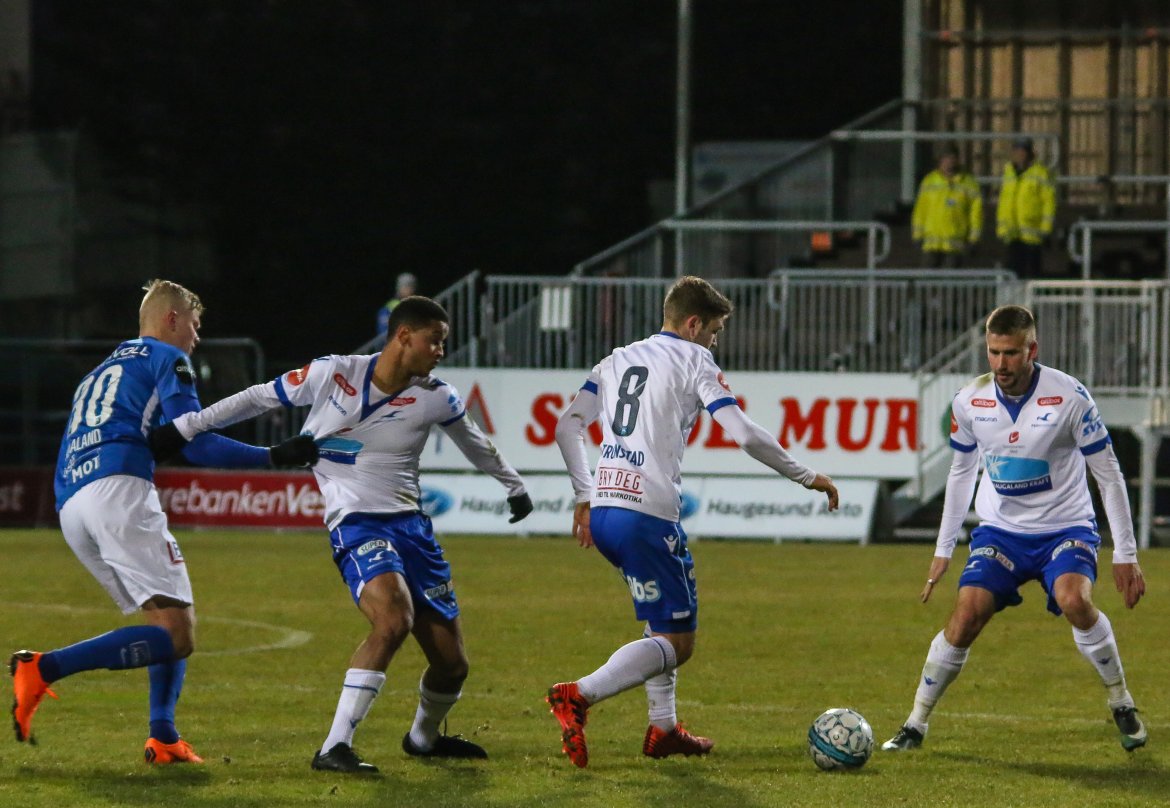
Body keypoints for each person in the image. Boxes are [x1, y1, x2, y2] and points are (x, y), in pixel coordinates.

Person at [153, 295, 534, 773]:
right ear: (403, 336)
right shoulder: (334, 373)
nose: (441, 351)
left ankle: (423, 739)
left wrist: (514, 486)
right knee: (392, 618)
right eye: (435, 340)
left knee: (452, 664)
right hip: (356, 523)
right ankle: (334, 747)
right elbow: (258, 396)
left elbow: (474, 443)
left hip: (412, 527)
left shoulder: (438, 395)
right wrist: (186, 426)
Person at [9, 279, 318, 764]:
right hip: (118, 492)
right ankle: (43, 668)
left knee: (163, 619)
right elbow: (195, 441)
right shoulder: (167, 358)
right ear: (171, 319)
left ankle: (164, 735)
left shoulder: (98, 371)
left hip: (70, 503)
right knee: (178, 636)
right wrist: (273, 456)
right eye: (194, 325)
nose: (196, 337)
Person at [547, 275, 839, 768]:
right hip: (647, 514)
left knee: (663, 621)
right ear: (693, 324)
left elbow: (567, 424)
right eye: (715, 331)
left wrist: (583, 494)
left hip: (607, 510)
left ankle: (663, 729)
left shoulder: (617, 358)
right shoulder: (695, 359)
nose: (715, 342)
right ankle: (578, 695)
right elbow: (744, 435)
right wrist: (806, 475)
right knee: (679, 643)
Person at [882, 304, 1147, 753]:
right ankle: (915, 723)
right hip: (1001, 532)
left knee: (1074, 600)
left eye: (1010, 353)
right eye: (993, 352)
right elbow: (961, 472)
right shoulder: (969, 400)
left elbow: (1108, 474)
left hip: (1065, 528)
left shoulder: (1070, 397)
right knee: (965, 616)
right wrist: (943, 549)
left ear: (1031, 350)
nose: (1001, 364)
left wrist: (1126, 553)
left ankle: (1120, 699)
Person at [911, 143, 983, 268]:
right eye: (945, 158)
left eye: (952, 157)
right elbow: (920, 211)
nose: (949, 162)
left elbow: (976, 214)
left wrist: (974, 239)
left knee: (949, 279)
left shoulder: (968, 183)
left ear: (957, 160)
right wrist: (917, 236)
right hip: (930, 245)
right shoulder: (929, 181)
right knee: (926, 279)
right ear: (939, 160)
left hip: (954, 246)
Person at [996, 137, 1056, 279]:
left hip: (1032, 232)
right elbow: (1004, 201)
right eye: (1017, 151)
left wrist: (1045, 228)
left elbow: (1048, 202)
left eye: (1023, 151)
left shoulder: (1040, 173)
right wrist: (1002, 227)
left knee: (1031, 273)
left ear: (1030, 153)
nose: (1020, 155)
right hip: (1012, 232)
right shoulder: (1008, 172)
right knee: (1013, 272)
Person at [375, 272, 418, 339]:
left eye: (412, 287)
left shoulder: (417, 305)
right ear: (399, 288)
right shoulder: (388, 308)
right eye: (407, 286)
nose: (410, 290)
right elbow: (383, 332)